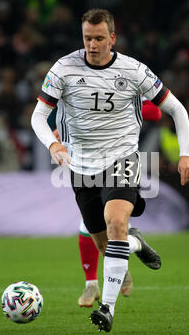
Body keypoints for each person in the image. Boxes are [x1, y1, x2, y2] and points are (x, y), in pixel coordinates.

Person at [31, 8, 189, 332]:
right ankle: (134, 244)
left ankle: (107, 309)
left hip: (122, 160)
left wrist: (186, 155)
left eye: (99, 38)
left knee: (116, 221)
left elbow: (175, 109)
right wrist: (53, 144)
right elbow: (38, 115)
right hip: (80, 167)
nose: (92, 44)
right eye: (87, 38)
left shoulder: (134, 71)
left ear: (112, 38)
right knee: (106, 244)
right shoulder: (64, 68)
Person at [47, 98, 163, 308]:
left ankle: (122, 256)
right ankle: (94, 281)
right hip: (85, 157)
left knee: (113, 218)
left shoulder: (125, 73)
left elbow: (155, 112)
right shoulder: (76, 77)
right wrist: (61, 132)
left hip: (118, 159)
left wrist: (112, 111)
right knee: (90, 218)